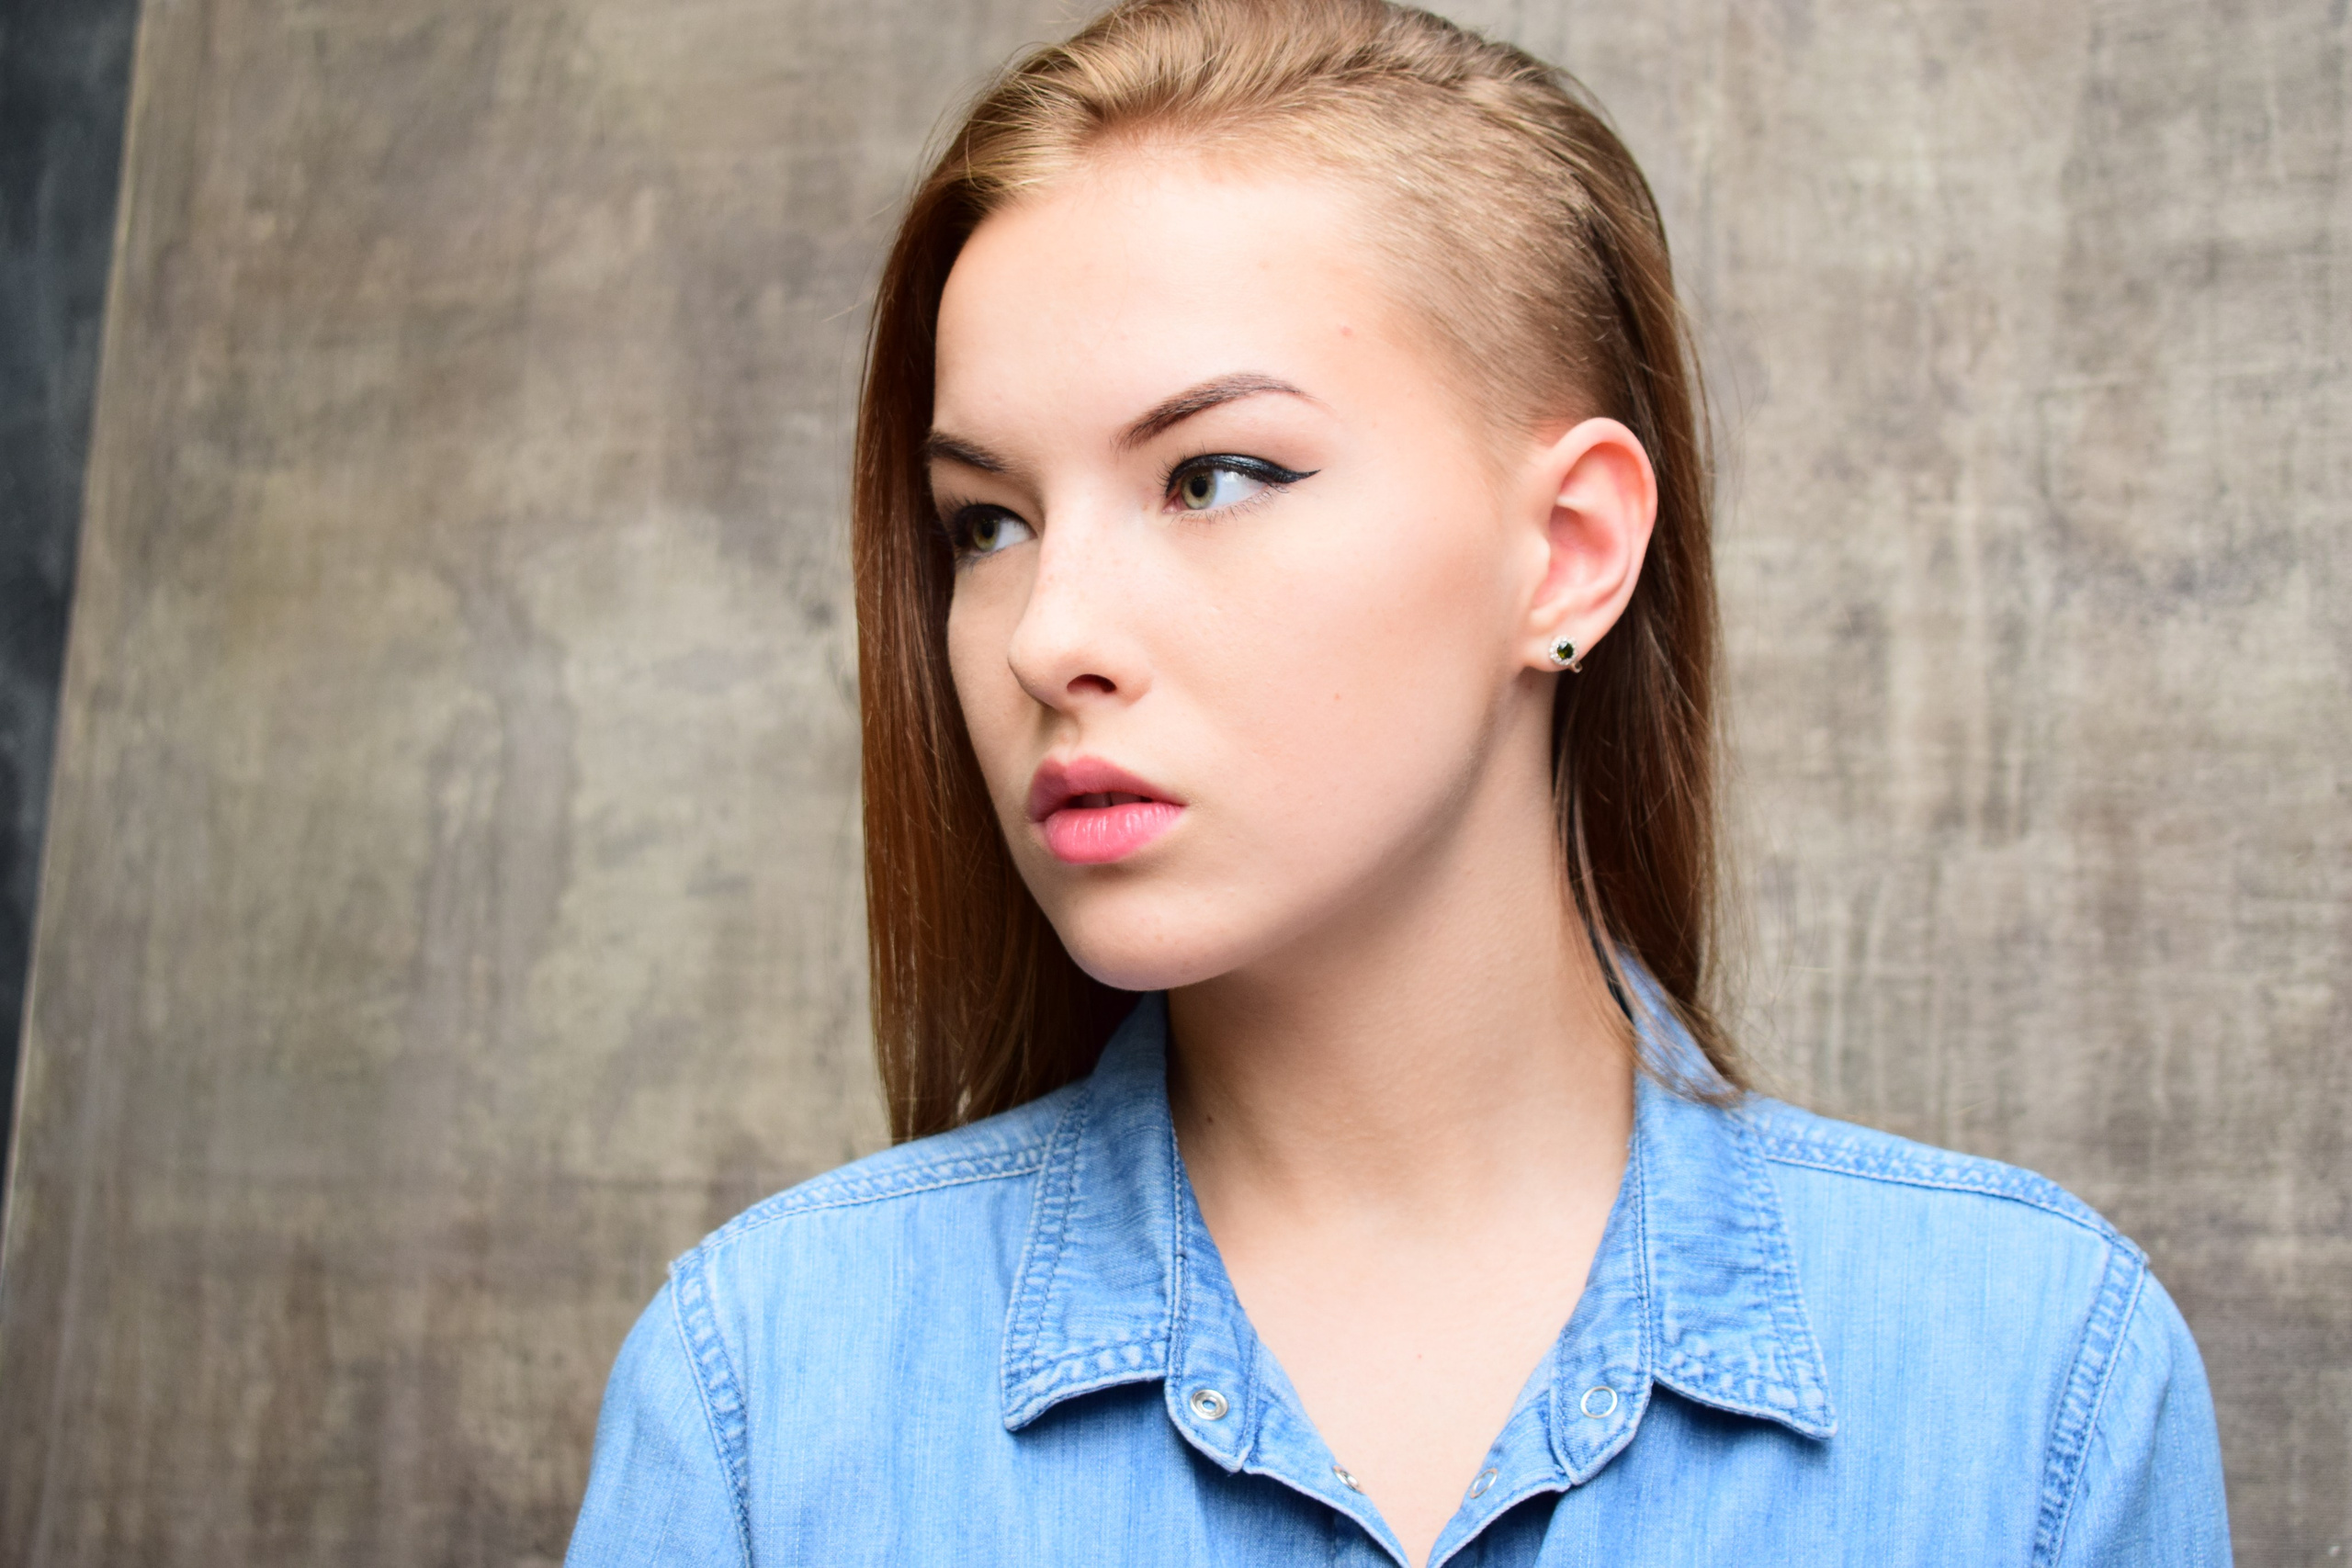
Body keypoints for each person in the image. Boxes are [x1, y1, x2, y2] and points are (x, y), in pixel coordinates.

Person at [563, 0, 2232, 1562]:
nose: (1045, 633)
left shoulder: (2034, 1388)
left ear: (1569, 552)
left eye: (1212, 476)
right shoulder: (765, 1402)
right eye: (985, 522)